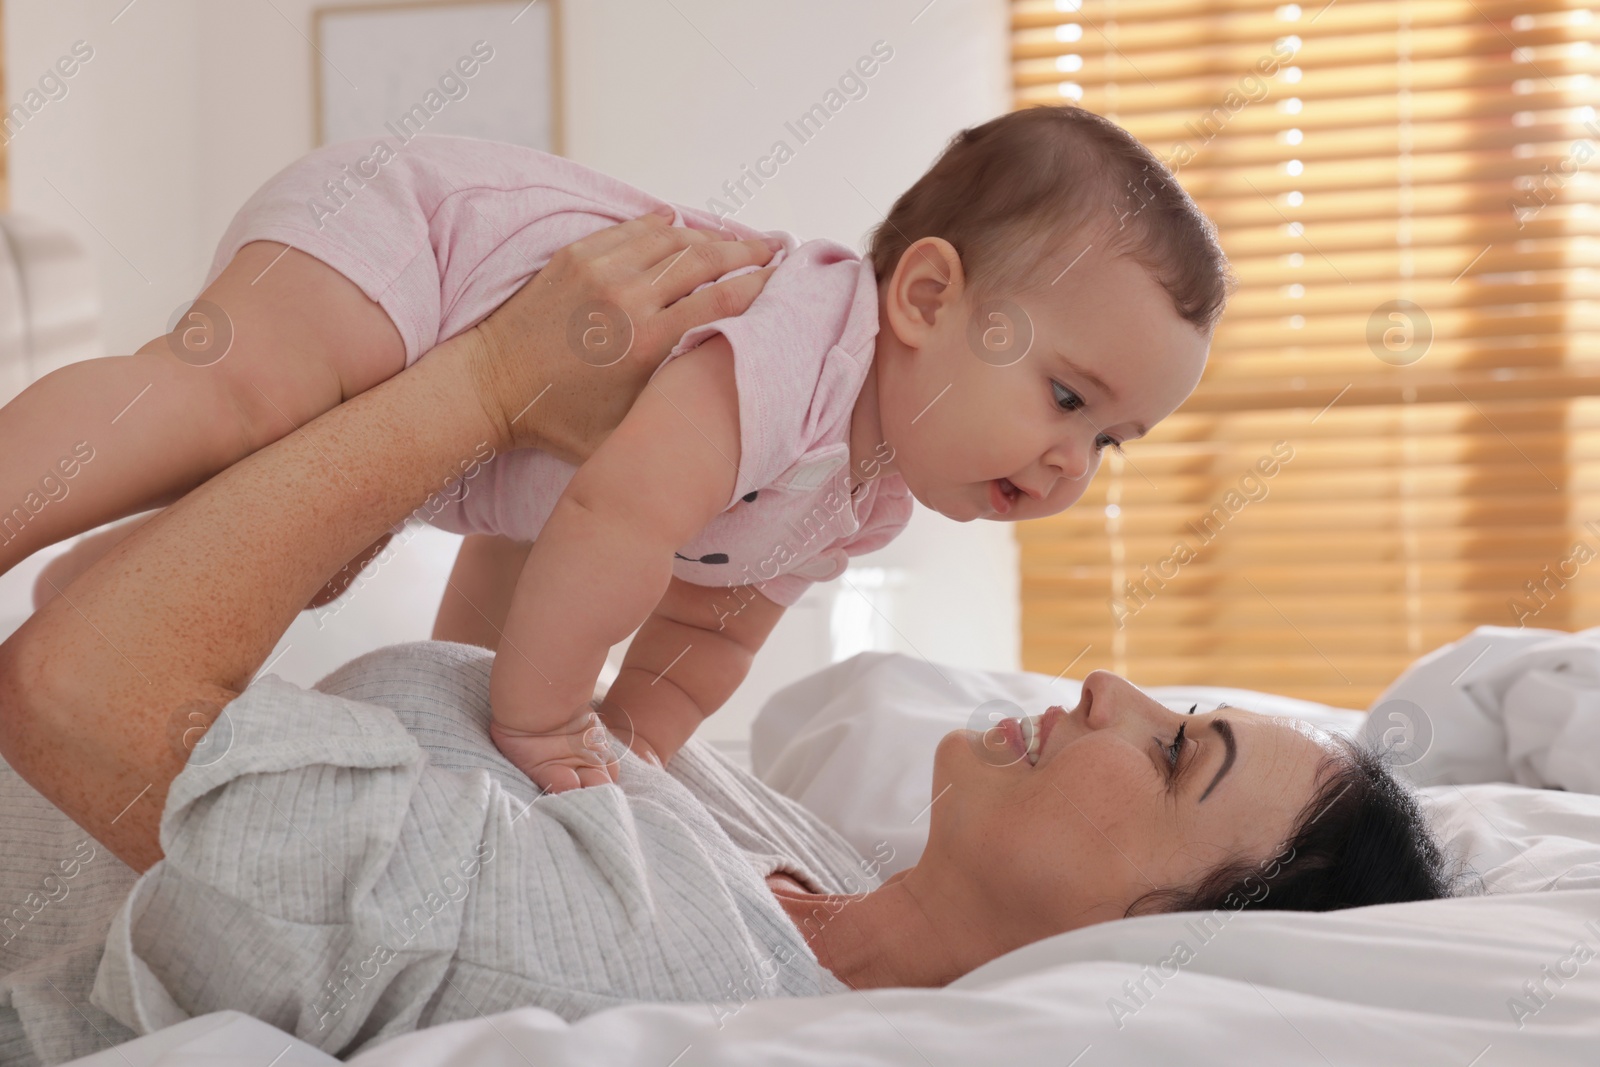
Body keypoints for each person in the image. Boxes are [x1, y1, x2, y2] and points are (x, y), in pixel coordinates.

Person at [0, 216, 1452, 1063]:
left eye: (1177, 750)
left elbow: (77, 692)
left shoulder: (650, 969)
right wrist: (607, 465)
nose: (1111, 684)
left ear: (1172, 941)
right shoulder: (820, 869)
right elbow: (493, 708)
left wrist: (489, 383)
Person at [0, 105, 1224, 796]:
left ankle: (96, 583)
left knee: (295, 538)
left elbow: (709, 631)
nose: (1072, 462)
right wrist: (541, 725)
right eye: (1066, 394)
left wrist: (625, 748)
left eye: (1109, 441)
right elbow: (611, 523)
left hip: (474, 402)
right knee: (237, 402)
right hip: (427, 237)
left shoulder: (861, 502)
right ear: (921, 298)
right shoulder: (801, 342)